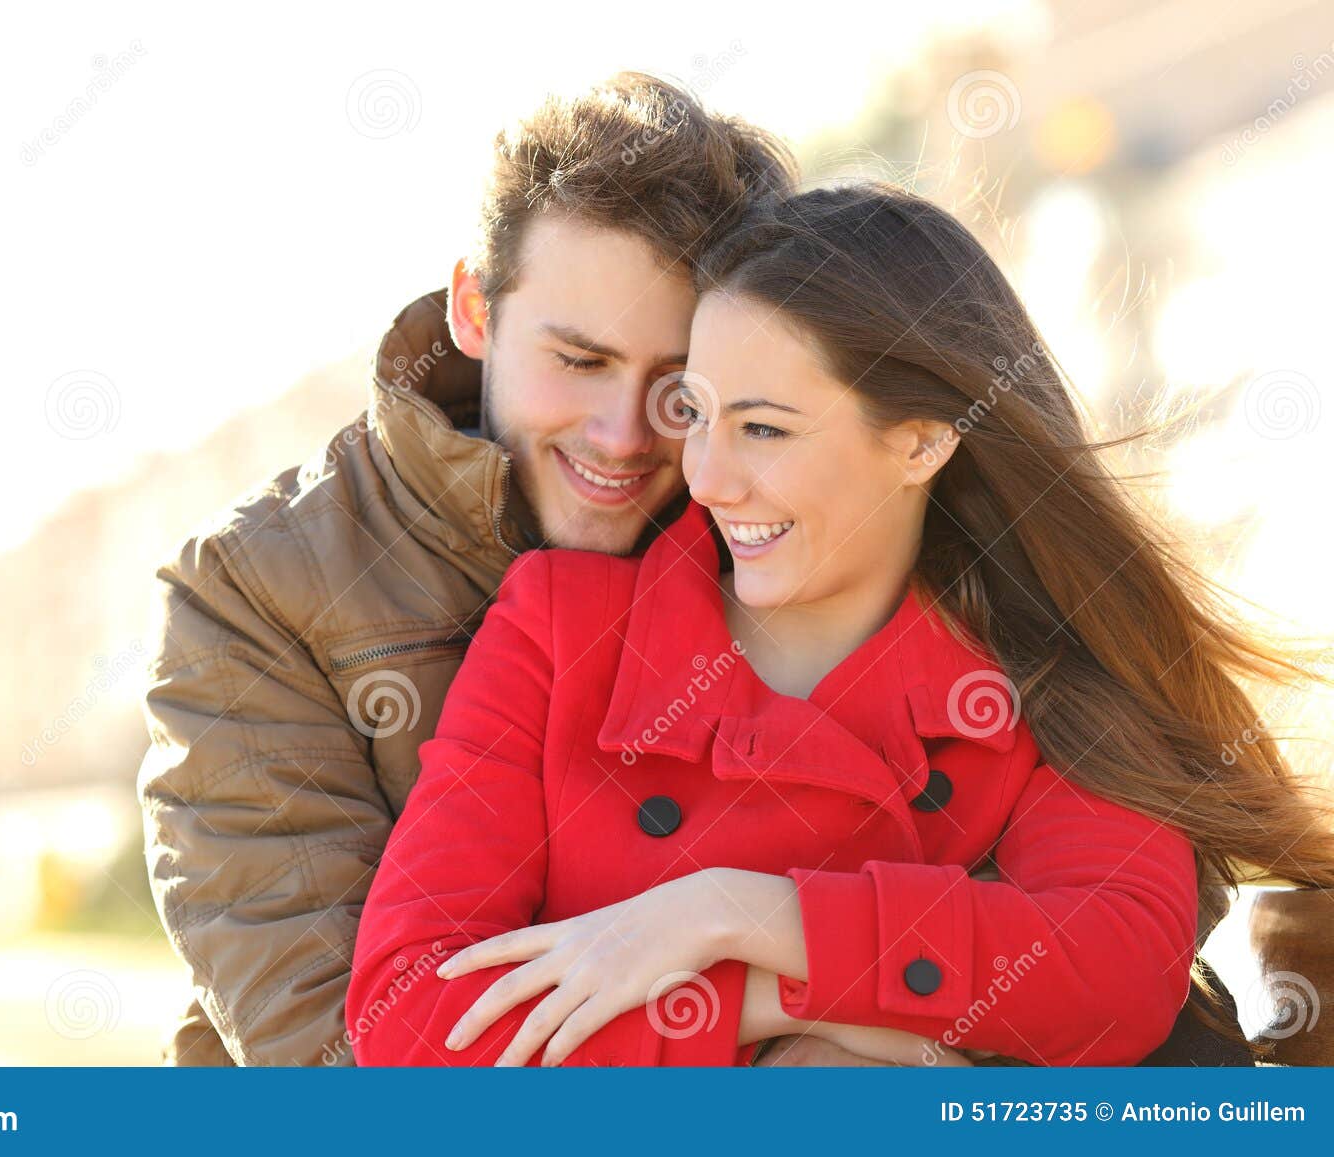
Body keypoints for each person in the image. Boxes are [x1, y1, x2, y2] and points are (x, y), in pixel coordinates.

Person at [346, 183, 1334, 1066]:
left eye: (765, 428)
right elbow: (408, 1025)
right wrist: (788, 1017)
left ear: (920, 439)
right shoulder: (564, 625)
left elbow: (1113, 970)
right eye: (697, 413)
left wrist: (740, 912)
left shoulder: (1042, 674)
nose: (706, 477)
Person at [136, 71, 799, 1066]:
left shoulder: (781, 540)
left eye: (678, 386)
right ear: (475, 308)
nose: (623, 436)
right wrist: (779, 1004)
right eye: (578, 361)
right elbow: (342, 1062)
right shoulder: (252, 589)